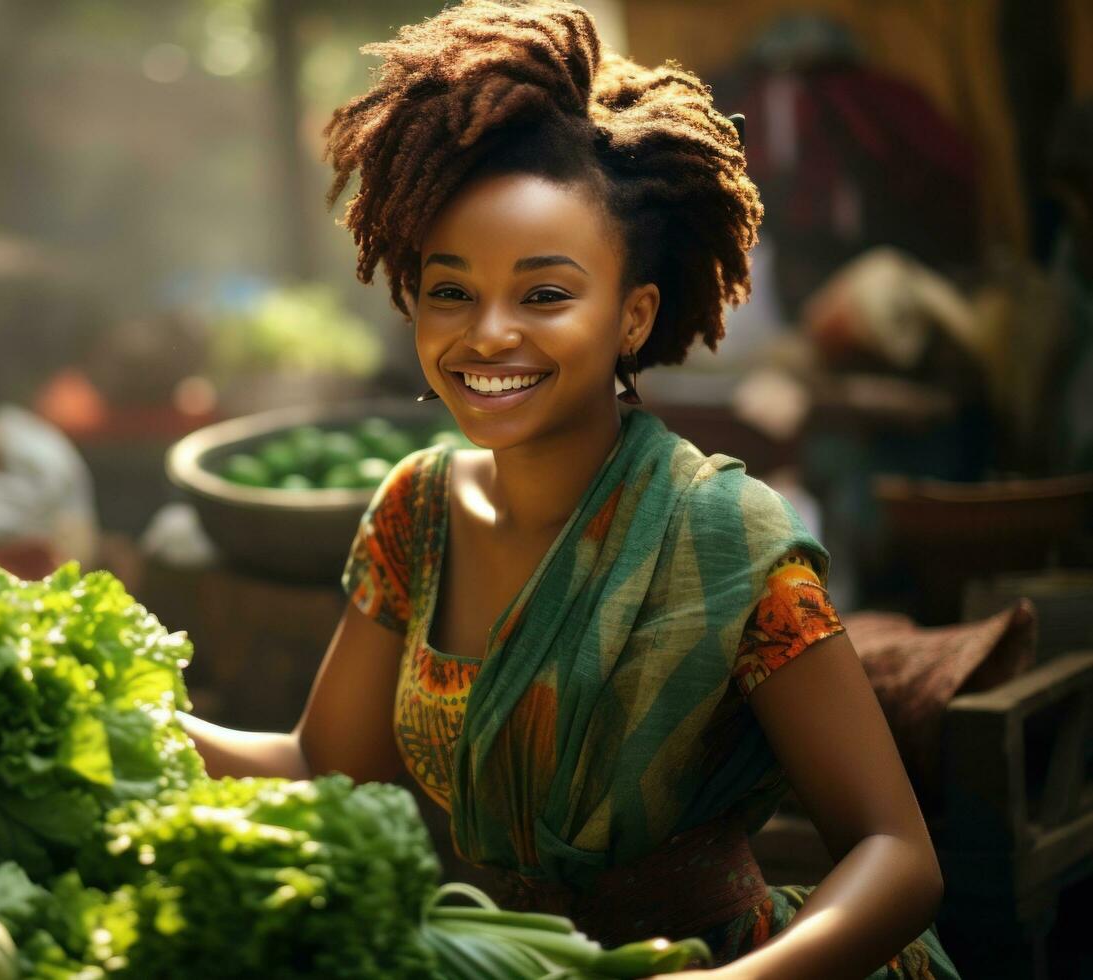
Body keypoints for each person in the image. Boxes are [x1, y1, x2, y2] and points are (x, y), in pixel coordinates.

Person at [182, 3, 960, 976]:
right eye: (450, 290)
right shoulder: (414, 516)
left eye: (545, 294)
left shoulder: (723, 533)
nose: (488, 333)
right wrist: (128, 718)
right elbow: (320, 768)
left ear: (634, 315)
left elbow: (898, 855)